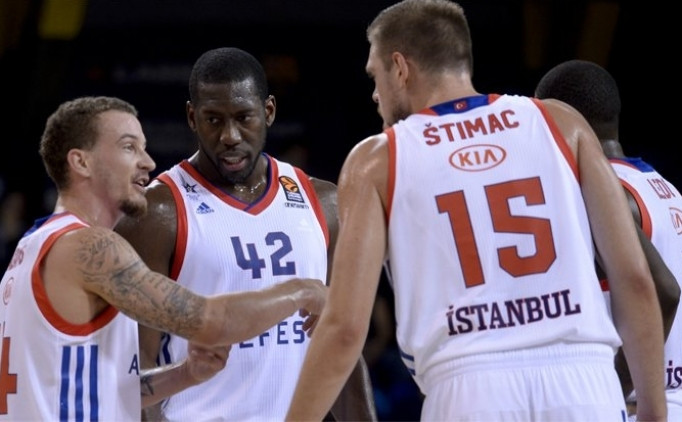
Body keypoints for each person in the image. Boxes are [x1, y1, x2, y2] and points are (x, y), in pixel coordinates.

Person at [285, 1, 668, 420]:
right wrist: (653, 411)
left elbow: (345, 330)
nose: (376, 95)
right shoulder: (561, 122)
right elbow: (635, 279)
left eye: (375, 76)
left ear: (400, 68)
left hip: (470, 387)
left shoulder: (377, 159)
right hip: (583, 381)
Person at [0, 96, 328, 421]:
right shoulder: (90, 248)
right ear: (81, 162)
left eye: (143, 148)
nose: (147, 162)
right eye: (129, 147)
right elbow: (211, 321)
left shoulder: (33, 245)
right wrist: (304, 290)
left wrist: (185, 374)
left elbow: (102, 389)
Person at [114, 47, 376, 421]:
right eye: (213, 120)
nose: (230, 136)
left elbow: (340, 345)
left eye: (243, 118)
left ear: (268, 111)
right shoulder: (156, 213)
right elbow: (138, 364)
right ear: (192, 117)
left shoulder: (325, 203)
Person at [535, 58, 682, 420]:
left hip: (639, 405)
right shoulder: (664, 188)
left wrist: (612, 392)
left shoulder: (599, 194)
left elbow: (665, 291)